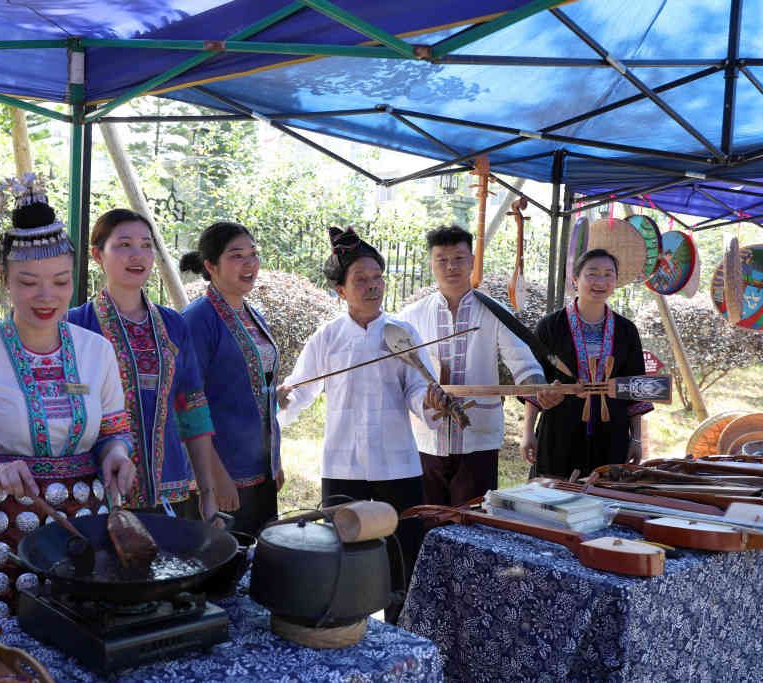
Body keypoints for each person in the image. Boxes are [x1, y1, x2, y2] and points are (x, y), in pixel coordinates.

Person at [0, 181, 135, 619]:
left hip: (84, 527)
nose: (47, 296)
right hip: (2, 535)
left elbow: (115, 432)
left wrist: (118, 453)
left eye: (61, 281)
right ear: (3, 279)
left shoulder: (96, 351)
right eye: (28, 282)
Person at [277, 227, 444, 623]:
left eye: (377, 278)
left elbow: (419, 388)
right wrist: (279, 404)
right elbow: (300, 391)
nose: (372, 287)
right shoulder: (328, 337)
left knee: (402, 559)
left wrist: (431, 402)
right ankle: (346, 630)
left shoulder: (403, 333)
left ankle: (404, 632)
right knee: (344, 558)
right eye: (360, 280)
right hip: (343, 465)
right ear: (340, 290)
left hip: (397, 465)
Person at [67, 209, 220, 522]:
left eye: (146, 245)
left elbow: (192, 408)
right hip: (97, 492)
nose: (137, 255)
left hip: (173, 489)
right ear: (98, 254)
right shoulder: (75, 326)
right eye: (123, 245)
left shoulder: (173, 325)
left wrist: (207, 491)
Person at [399, 225, 545, 506]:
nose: (451, 266)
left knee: (472, 521)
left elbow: (523, 363)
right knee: (428, 517)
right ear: (431, 264)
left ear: (473, 261)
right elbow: (400, 373)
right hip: (426, 438)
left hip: (478, 437)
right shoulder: (410, 316)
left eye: (459, 258)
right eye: (442, 259)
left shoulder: (494, 312)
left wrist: (540, 388)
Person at [181, 222, 283, 534]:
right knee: (221, 570)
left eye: (253, 254)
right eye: (237, 255)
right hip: (222, 473)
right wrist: (214, 476)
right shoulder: (198, 320)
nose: (250, 263)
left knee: (260, 565)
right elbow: (185, 402)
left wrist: (275, 460)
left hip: (260, 467)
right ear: (211, 266)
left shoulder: (254, 315)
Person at [521, 248, 652, 478]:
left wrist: (636, 437)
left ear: (615, 281)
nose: (600, 281)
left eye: (608, 274)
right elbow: (535, 383)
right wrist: (528, 433)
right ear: (575, 279)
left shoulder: (626, 330)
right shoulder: (550, 326)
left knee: (604, 499)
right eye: (592, 273)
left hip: (611, 432)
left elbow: (635, 388)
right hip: (560, 428)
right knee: (553, 500)